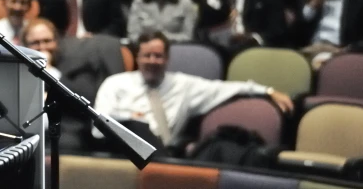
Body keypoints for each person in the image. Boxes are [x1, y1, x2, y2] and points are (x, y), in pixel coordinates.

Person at [92, 31, 293, 150]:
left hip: (164, 155)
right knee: (137, 127)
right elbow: (98, 128)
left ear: (167, 59)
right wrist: (131, 119)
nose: (153, 61)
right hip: (120, 153)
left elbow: (224, 88)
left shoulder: (184, 85)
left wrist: (267, 91)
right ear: (137, 57)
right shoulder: (115, 84)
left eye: (158, 56)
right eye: (147, 56)